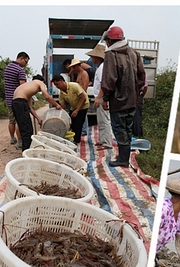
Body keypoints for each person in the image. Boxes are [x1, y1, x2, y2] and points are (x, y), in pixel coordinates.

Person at [100, 25, 146, 167]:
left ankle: (123, 160)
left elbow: (109, 79)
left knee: (120, 130)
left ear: (110, 41)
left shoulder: (111, 54)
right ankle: (124, 157)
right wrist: (140, 95)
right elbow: (141, 77)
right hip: (132, 100)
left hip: (118, 101)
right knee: (128, 129)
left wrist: (105, 98)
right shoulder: (134, 53)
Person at [12, 76, 62, 151]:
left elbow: (30, 108)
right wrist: (57, 105)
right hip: (20, 103)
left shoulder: (27, 88)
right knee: (27, 130)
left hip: (15, 103)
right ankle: (27, 151)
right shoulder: (39, 82)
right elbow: (47, 97)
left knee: (24, 128)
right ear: (42, 81)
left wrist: (38, 118)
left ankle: (26, 148)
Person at [86, 44, 113, 149]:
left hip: (102, 97)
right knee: (101, 120)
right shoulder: (100, 67)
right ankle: (103, 140)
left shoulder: (102, 68)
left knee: (104, 120)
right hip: (101, 96)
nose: (92, 58)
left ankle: (106, 142)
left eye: (93, 56)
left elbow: (104, 84)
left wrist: (98, 98)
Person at [52, 74, 89, 145]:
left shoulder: (74, 86)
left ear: (62, 81)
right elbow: (63, 106)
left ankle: (76, 141)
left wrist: (77, 110)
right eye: (55, 85)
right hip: (73, 107)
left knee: (78, 123)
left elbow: (83, 98)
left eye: (57, 84)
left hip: (83, 105)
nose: (57, 86)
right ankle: (73, 137)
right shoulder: (62, 93)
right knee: (71, 123)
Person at [3, 51, 29, 146]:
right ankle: (20, 142)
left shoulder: (7, 68)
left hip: (9, 99)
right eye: (26, 62)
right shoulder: (20, 70)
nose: (25, 65)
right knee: (19, 121)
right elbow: (23, 86)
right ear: (21, 58)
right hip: (17, 100)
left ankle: (12, 138)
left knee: (11, 120)